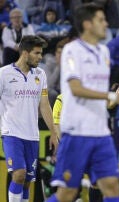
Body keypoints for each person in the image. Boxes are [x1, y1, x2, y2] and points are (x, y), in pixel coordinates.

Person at [46, 3, 119, 202]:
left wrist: (110, 99)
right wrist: (112, 97)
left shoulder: (103, 52)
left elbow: (95, 93)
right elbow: (76, 88)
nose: (106, 24)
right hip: (77, 132)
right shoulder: (72, 51)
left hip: (101, 133)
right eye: (101, 20)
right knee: (67, 194)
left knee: (112, 187)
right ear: (87, 24)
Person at [0, 35, 59, 202]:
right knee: (19, 174)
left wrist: (53, 133)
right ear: (25, 53)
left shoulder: (40, 74)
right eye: (37, 53)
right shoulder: (3, 74)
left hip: (32, 135)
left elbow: (45, 105)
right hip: (11, 133)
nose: (41, 57)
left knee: (27, 182)